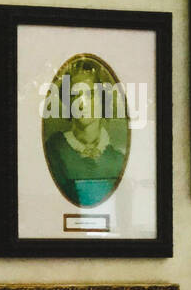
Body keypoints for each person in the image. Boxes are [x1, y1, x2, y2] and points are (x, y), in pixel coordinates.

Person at [42, 59, 127, 208]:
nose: (81, 103)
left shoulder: (117, 159)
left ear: (103, 99)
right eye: (75, 95)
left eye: (90, 94)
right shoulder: (54, 151)